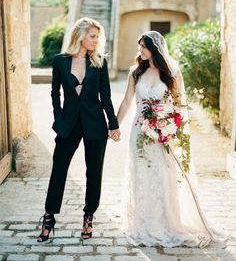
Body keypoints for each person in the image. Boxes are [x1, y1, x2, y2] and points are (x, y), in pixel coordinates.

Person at [117, 30, 217, 248]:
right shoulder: (135, 72)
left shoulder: (172, 72)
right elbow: (126, 101)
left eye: (143, 46)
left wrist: (171, 127)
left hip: (165, 133)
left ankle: (167, 223)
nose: (139, 50)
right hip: (139, 132)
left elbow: (180, 104)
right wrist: (114, 125)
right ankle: (143, 224)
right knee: (141, 174)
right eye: (139, 46)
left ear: (154, 49)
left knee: (164, 175)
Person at [37, 17, 120, 242]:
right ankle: (49, 216)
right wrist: (58, 118)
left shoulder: (99, 62)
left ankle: (88, 217)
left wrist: (113, 125)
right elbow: (55, 93)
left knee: (93, 173)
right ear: (80, 36)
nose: (96, 40)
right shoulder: (60, 61)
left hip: (95, 125)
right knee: (59, 170)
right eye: (92, 36)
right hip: (68, 125)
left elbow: (106, 96)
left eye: (97, 37)